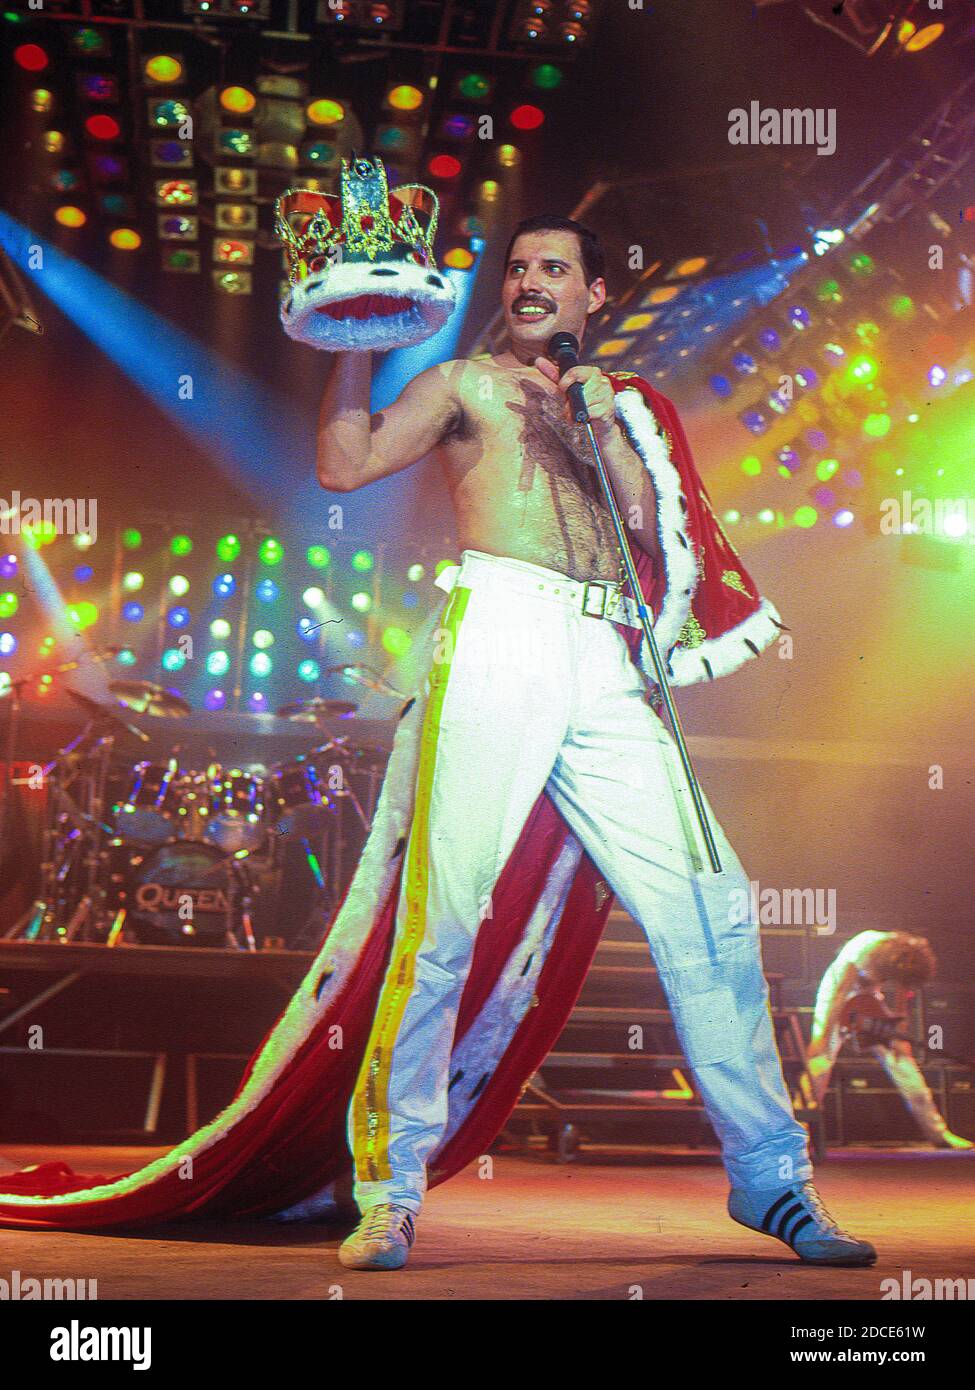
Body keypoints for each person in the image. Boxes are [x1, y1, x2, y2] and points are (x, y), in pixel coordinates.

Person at [317, 213, 877, 1271]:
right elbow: (347, 468)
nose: (530, 280)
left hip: (605, 651)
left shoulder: (618, 406)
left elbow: (648, 531)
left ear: (594, 297)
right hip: (500, 627)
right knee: (445, 920)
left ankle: (772, 1180)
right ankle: (389, 1191)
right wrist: (351, 356)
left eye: (554, 269)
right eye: (520, 266)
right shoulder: (463, 383)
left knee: (710, 904)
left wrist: (605, 422)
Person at [807, 930, 973, 1149]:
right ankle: (800, 1132)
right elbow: (839, 994)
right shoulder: (864, 949)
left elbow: (901, 992)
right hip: (837, 994)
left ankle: (938, 1134)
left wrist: (898, 1028)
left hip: (870, 997)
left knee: (902, 1062)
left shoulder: (900, 962)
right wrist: (823, 1036)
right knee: (820, 1062)